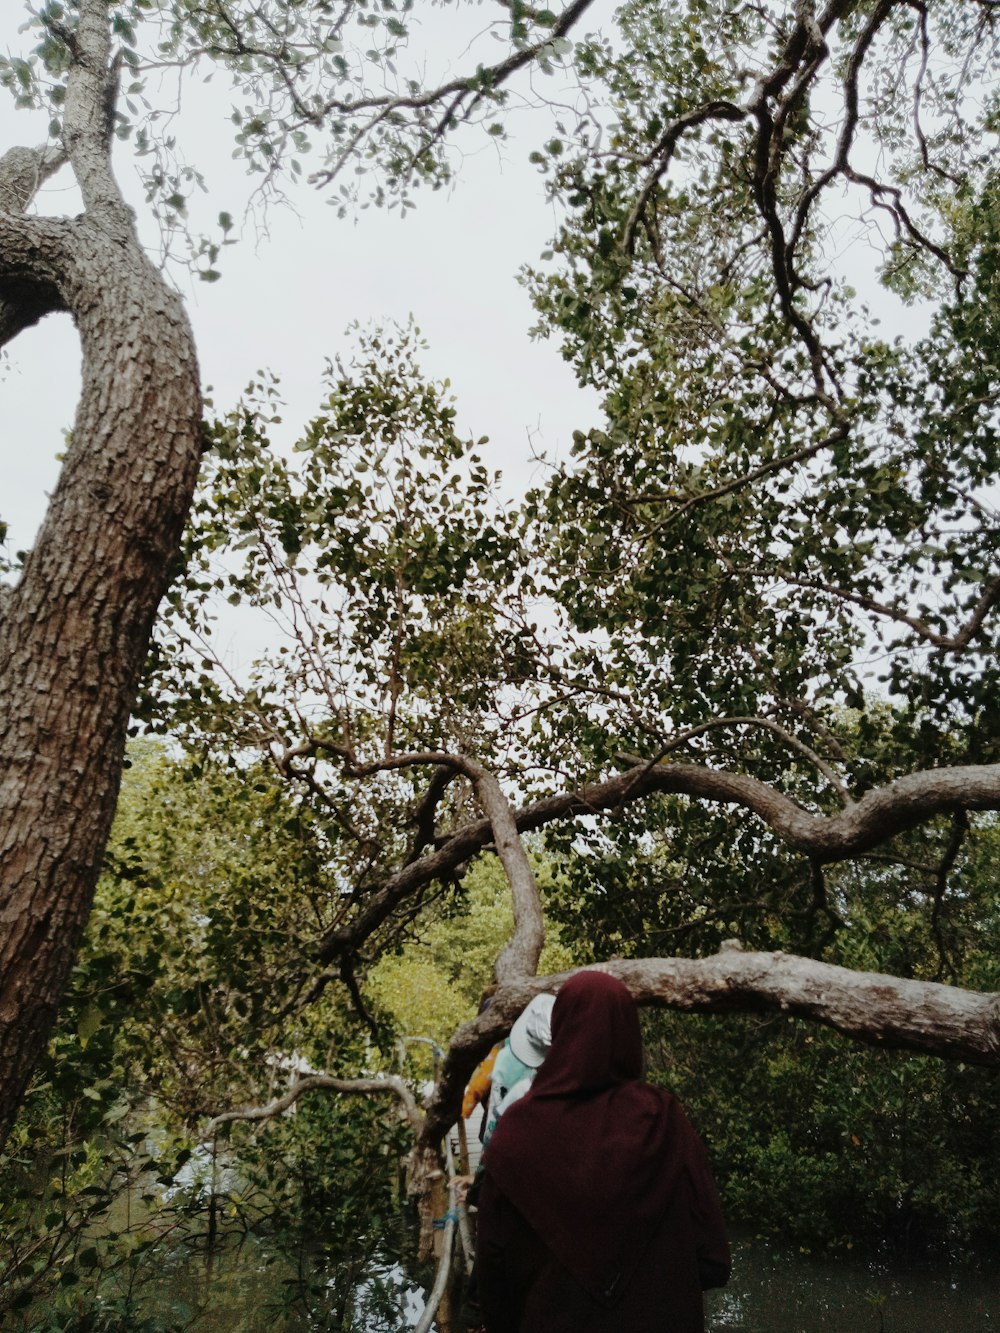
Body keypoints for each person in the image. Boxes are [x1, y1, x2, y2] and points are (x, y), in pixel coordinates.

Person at [475, 971, 731, 1333]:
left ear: (561, 1033)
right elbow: (713, 1256)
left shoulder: (516, 1132)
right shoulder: (663, 1118)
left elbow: (493, 1274)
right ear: (628, 1035)